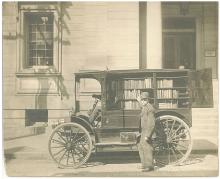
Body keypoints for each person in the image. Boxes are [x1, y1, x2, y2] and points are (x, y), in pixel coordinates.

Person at [136, 91, 156, 172]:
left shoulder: (150, 109)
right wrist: (138, 101)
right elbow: (142, 106)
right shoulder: (145, 106)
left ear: (148, 100)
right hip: (143, 131)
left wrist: (148, 135)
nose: (143, 101)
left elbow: (151, 123)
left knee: (147, 147)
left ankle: (149, 166)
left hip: (147, 131)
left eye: (144, 100)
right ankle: (144, 164)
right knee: (141, 146)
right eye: (142, 100)